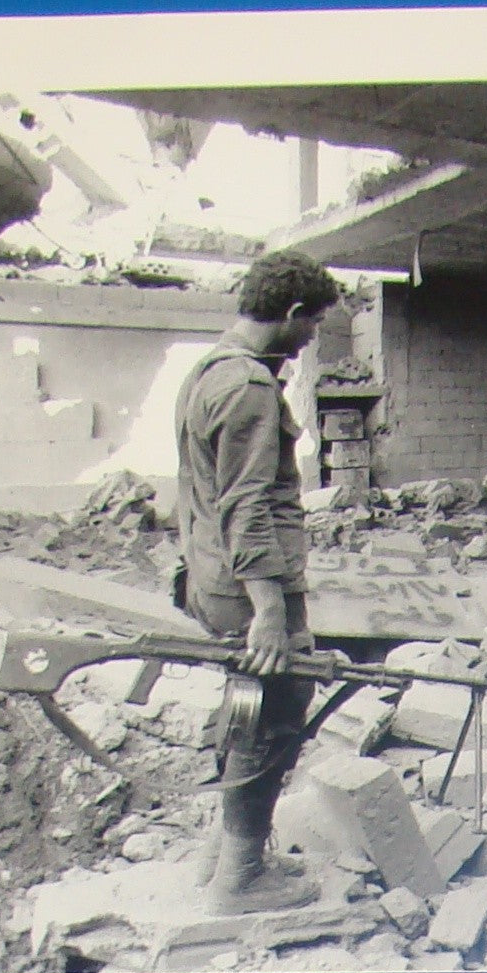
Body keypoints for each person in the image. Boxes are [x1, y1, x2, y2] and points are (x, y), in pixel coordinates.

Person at [174, 249, 340, 915]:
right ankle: (241, 880)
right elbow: (244, 504)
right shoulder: (247, 389)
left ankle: (221, 855)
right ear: (292, 313)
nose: (311, 337)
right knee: (272, 717)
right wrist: (269, 610)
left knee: (245, 705)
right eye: (313, 323)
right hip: (248, 589)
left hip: (214, 577)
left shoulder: (208, 370)